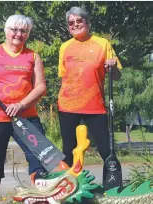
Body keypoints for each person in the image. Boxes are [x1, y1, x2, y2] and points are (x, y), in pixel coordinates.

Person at [0, 14, 47, 204]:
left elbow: (41, 87)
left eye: (23, 31)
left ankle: (40, 196)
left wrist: (21, 104)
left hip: (26, 116)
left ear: (28, 34)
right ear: (6, 30)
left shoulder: (33, 56)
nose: (18, 34)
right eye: (15, 30)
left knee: (40, 156)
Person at [58, 7, 122, 168]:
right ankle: (69, 185)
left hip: (94, 105)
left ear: (88, 23)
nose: (75, 25)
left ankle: (113, 182)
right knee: (68, 149)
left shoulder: (102, 44)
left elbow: (116, 76)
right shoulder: (64, 47)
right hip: (67, 105)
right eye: (71, 23)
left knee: (105, 148)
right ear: (68, 27)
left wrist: (113, 67)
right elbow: (64, 77)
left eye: (79, 21)